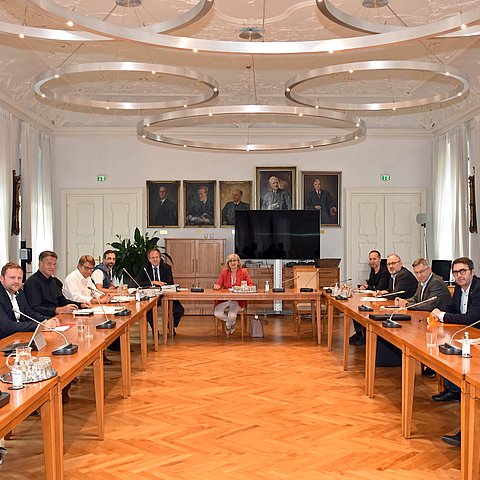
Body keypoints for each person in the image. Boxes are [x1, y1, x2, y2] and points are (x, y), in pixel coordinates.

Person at [428, 257, 480, 448]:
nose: (459, 276)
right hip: (466, 336)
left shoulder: (478, 288)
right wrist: (440, 315)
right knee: (443, 348)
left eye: (463, 271)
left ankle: (469, 432)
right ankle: (453, 389)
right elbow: (451, 309)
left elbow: (471, 318)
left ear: (472, 272)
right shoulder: (459, 288)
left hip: (475, 337)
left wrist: (442, 316)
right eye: (456, 272)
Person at [0, 262, 60, 339]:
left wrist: (48, 320)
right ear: (1, 278)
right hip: (4, 340)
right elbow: (8, 326)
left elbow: (29, 314)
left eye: (19, 278)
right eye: (12, 278)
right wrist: (41, 325)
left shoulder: (19, 292)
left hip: (18, 337)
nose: (16, 281)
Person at [136, 248, 184, 335]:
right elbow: (137, 283)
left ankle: (170, 325)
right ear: (149, 259)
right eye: (153, 258)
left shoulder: (166, 267)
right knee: (148, 311)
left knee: (179, 310)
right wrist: (152, 282)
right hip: (151, 296)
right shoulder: (144, 268)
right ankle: (155, 330)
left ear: (160, 257)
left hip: (165, 295)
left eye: (157, 257)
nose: (155, 259)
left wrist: (163, 286)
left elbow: (170, 283)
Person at [24, 250, 87, 316]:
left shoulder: (55, 281)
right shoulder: (32, 283)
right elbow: (35, 308)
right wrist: (58, 310)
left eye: (54, 264)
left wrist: (80, 304)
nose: (52, 267)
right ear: (40, 263)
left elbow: (62, 301)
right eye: (49, 264)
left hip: (58, 317)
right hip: (44, 320)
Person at [350, 250, 390, 346]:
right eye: (370, 259)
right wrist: (366, 286)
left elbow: (380, 287)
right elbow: (371, 284)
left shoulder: (385, 271)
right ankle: (359, 333)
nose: (372, 261)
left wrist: (369, 287)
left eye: (374, 259)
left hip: (384, 300)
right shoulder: (373, 270)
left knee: (364, 310)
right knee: (357, 308)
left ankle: (364, 336)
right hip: (374, 298)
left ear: (379, 259)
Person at [213, 253, 254, 335]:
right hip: (225, 299)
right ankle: (232, 322)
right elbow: (218, 284)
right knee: (217, 313)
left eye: (234, 260)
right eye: (230, 261)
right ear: (228, 263)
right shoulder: (225, 273)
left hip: (238, 300)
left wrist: (244, 288)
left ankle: (228, 326)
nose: (232, 263)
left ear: (238, 262)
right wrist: (216, 286)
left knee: (232, 315)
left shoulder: (244, 272)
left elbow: (251, 285)